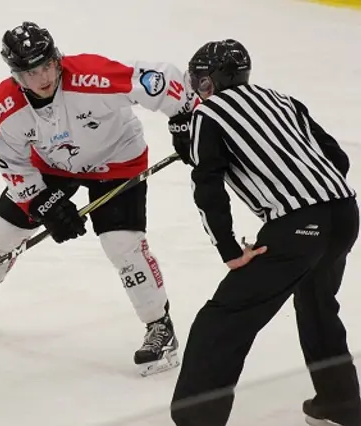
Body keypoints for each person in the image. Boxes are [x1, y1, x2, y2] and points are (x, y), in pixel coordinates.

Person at [0, 21, 197, 375]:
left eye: (47, 65)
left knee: (121, 244)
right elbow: (10, 162)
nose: (43, 77)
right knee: (6, 229)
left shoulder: (91, 76)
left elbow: (161, 80)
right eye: (31, 72)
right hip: (50, 165)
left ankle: (159, 326)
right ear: (16, 75)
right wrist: (42, 203)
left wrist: (185, 119)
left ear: (57, 58)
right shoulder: (6, 107)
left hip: (117, 160)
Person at [169, 39, 359, 426]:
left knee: (220, 323)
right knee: (317, 305)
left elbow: (207, 184)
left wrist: (228, 248)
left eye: (202, 83)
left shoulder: (210, 113)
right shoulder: (283, 99)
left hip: (299, 226)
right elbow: (338, 159)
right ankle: (342, 406)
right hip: (345, 213)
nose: (200, 91)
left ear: (213, 82)